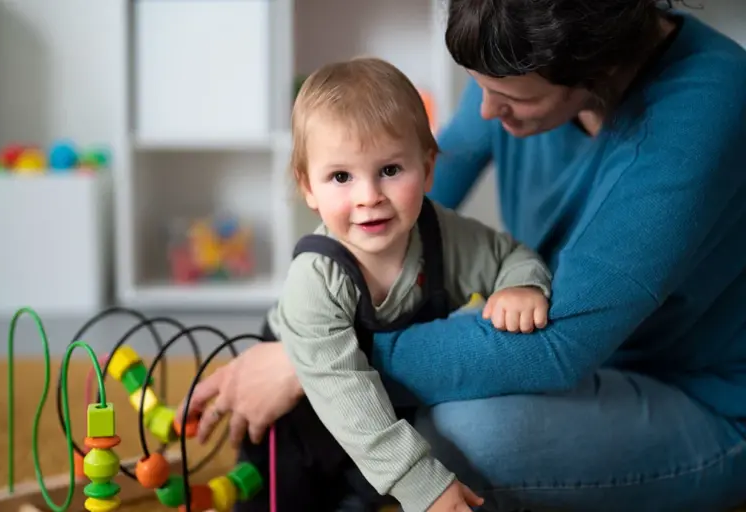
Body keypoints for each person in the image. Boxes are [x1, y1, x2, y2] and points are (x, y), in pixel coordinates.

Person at [180, 1, 746, 511]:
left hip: (699, 399)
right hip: (578, 360)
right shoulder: (518, 65)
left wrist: (314, 361)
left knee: (459, 431)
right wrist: (315, 321)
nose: (483, 111)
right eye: (479, 86)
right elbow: (417, 193)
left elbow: (558, 349)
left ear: (593, 70)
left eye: (510, 98)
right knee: (411, 404)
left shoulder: (707, 107)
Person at [183, 56, 553, 512]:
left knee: (362, 493)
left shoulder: (444, 236)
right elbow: (346, 394)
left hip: (388, 409)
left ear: (428, 168)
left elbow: (510, 257)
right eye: (341, 177)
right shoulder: (316, 277)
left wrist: (521, 286)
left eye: (391, 170)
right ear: (309, 188)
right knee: (282, 494)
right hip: (302, 411)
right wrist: (424, 484)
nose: (368, 197)